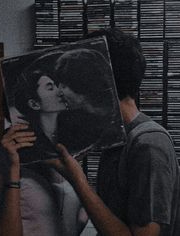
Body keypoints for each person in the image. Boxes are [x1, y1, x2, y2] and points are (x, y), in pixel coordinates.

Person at [47, 28, 180, 236]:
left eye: (73, 79)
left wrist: (78, 179)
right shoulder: (116, 138)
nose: (61, 91)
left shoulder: (148, 144)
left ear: (99, 82)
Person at [0, 51, 87, 236]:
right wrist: (13, 169)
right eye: (50, 87)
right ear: (34, 104)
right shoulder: (0, 156)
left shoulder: (70, 151)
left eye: (57, 85)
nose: (60, 90)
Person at [54, 48, 125, 153]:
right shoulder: (68, 121)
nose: (58, 91)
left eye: (64, 86)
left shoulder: (116, 125)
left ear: (82, 88)